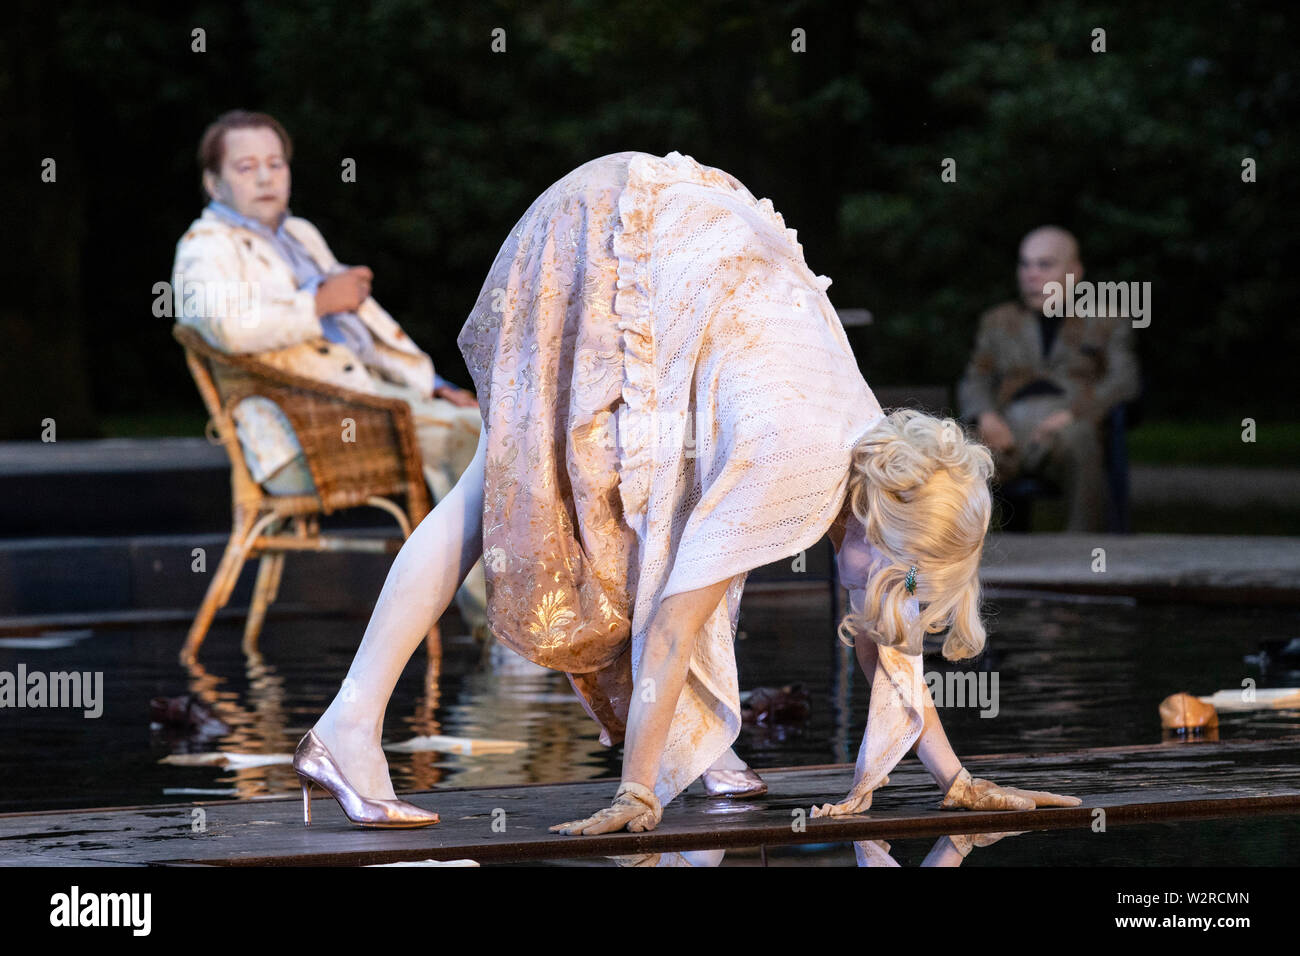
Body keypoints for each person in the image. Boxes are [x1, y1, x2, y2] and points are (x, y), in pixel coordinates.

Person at [293, 151, 1081, 832]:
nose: (897, 604)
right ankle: (348, 727)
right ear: (879, 528)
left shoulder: (880, 455)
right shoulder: (797, 463)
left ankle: (704, 745)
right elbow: (673, 624)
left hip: (673, 241)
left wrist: (955, 778)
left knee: (652, 519)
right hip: (606, 240)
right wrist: (637, 791)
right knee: (498, 488)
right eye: (905, 578)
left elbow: (885, 621)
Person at [172, 110, 488, 638]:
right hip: (305, 437)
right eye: (247, 167)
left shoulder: (297, 233)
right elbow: (226, 328)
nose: (267, 177)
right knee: (478, 442)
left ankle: (537, 620)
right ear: (214, 181)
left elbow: (362, 321)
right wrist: (316, 301)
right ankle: (502, 634)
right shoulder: (206, 249)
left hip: (368, 405)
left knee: (497, 426)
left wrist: (435, 386)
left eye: (276, 163)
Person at [957, 226, 1141, 531]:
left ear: (1074, 271)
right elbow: (975, 378)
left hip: (1067, 430)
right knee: (955, 449)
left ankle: (1083, 552)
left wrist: (1072, 415)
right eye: (1025, 264)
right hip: (1007, 434)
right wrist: (986, 416)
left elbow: (1125, 382)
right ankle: (960, 559)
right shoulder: (998, 321)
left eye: (1044, 264)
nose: (1031, 274)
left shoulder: (1107, 320)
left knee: (1081, 439)